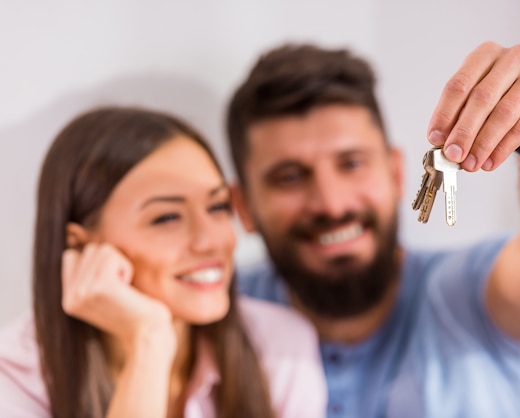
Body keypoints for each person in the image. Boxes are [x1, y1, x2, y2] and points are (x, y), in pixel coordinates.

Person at [225, 41, 520, 418]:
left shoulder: (467, 294)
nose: (332, 203)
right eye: (289, 177)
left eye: (352, 163)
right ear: (243, 207)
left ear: (395, 173)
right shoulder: (217, 315)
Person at [0, 107, 327, 418]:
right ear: (82, 245)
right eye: (167, 217)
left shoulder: (280, 347)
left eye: (217, 207)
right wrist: (149, 340)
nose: (211, 240)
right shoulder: (15, 374)